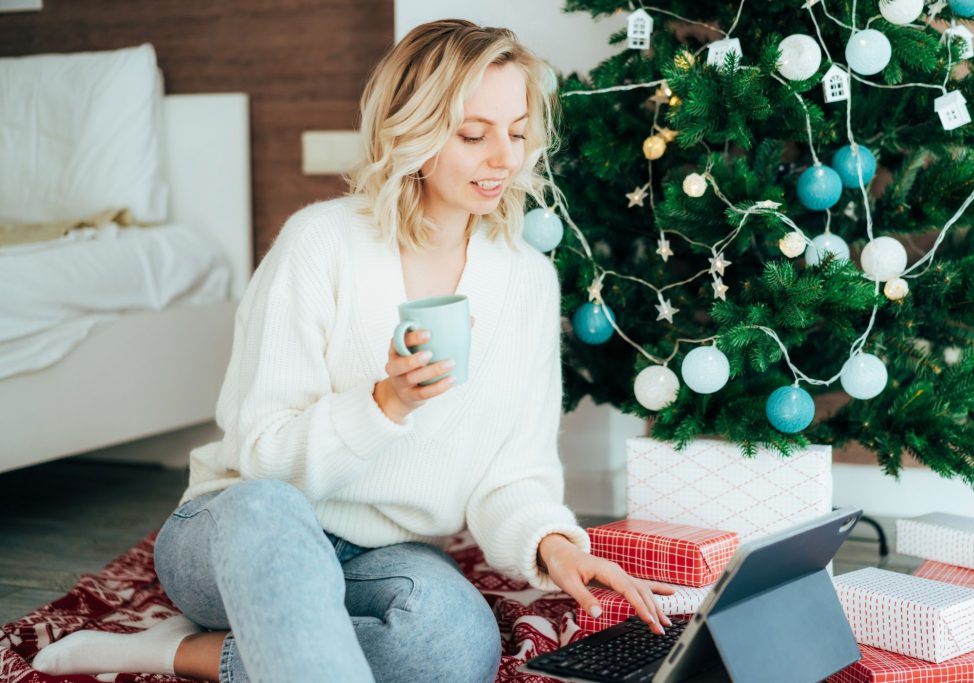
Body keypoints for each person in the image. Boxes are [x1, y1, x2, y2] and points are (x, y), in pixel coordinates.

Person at [33, 19, 676, 683]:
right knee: (267, 505)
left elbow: (514, 471)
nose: (504, 159)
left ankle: (187, 652)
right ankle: (274, 631)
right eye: (473, 133)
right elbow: (261, 457)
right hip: (239, 534)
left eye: (517, 132)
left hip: (382, 551)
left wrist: (553, 543)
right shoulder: (320, 243)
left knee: (454, 644)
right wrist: (384, 402)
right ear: (415, 131)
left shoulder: (526, 280)